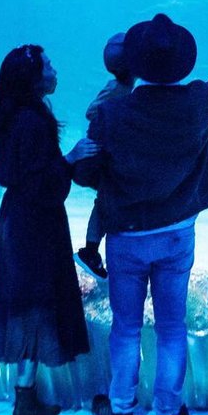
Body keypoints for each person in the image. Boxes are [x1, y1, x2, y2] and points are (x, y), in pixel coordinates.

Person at [73, 0, 208, 415]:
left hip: (127, 238)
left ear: (135, 63)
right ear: (181, 62)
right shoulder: (198, 103)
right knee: (171, 328)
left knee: (127, 328)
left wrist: (79, 161)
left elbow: (88, 175)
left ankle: (122, 412)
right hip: (176, 234)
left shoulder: (111, 114)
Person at [0, 44, 98, 415]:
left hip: (12, 223)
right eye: (48, 65)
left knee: (6, 310)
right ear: (32, 77)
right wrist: (69, 160)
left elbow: (7, 171)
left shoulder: (8, 116)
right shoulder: (34, 121)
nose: (54, 70)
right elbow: (44, 184)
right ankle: (24, 404)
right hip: (37, 227)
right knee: (37, 309)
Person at [74, 33, 136, 280]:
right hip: (103, 156)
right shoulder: (116, 89)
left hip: (110, 154)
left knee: (105, 201)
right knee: (105, 201)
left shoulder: (126, 88)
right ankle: (90, 251)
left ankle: (92, 251)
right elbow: (91, 111)